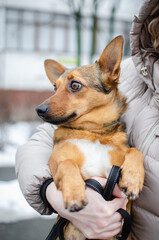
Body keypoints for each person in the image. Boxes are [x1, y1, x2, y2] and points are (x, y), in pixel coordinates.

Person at [15, 0, 159, 239]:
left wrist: (135, 159)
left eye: (74, 86)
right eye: (58, 87)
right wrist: (52, 192)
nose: (50, 101)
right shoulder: (131, 74)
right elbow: (35, 148)